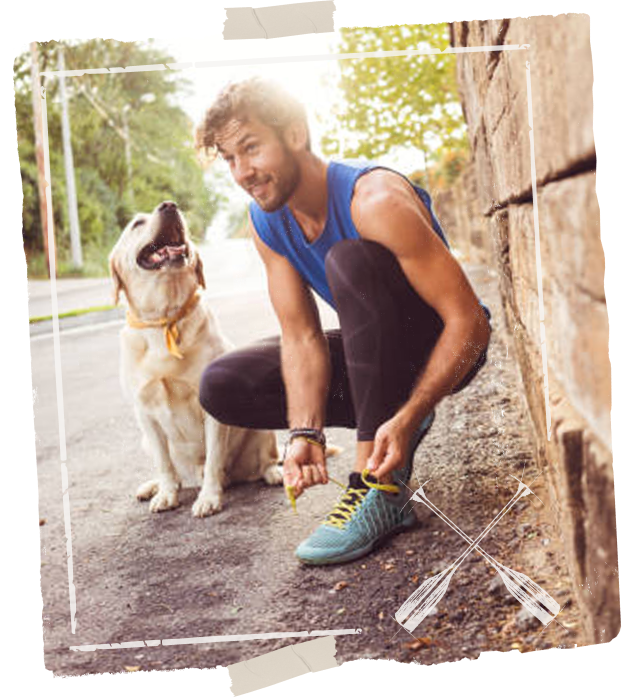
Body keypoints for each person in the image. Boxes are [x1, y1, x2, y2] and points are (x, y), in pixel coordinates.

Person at [196, 76, 492, 565]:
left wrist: (413, 410)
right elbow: (301, 336)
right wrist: (304, 433)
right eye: (229, 158)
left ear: (294, 134)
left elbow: (471, 323)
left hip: (445, 343)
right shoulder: (266, 220)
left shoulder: (373, 200)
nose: (242, 171)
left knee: (348, 260)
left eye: (251, 148)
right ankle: (385, 422)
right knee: (223, 384)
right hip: (376, 350)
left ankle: (376, 487)